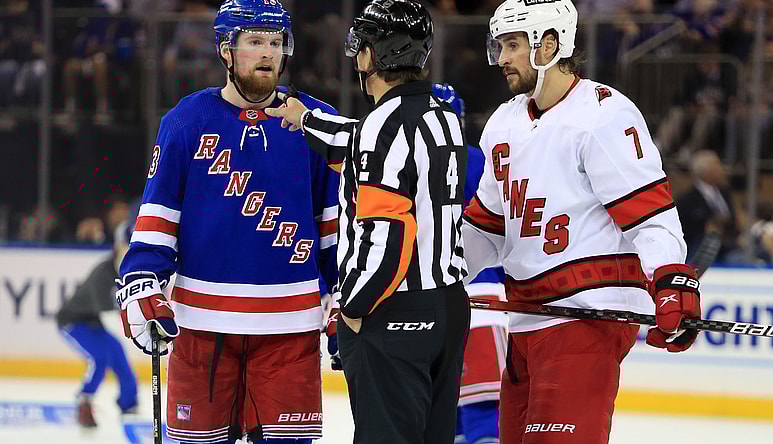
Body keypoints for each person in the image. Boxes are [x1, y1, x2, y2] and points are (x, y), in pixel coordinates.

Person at [461, 1, 702, 443]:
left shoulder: (603, 114)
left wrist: (672, 280)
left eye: (513, 45)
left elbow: (649, 216)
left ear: (549, 45)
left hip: (585, 320)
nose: (502, 58)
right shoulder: (502, 123)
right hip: (526, 320)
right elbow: (487, 229)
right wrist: (435, 275)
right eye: (500, 45)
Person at [113, 1, 339, 443]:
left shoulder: (315, 123)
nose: (268, 54)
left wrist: (342, 292)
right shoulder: (185, 121)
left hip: (289, 329)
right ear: (225, 50)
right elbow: (159, 217)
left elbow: (334, 224)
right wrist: (141, 280)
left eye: (276, 42)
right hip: (200, 326)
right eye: (255, 42)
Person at [266, 2, 471, 443]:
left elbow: (389, 233)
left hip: (394, 310)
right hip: (450, 308)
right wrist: (304, 118)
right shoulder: (444, 119)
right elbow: (358, 146)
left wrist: (353, 309)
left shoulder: (382, 127)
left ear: (370, 56)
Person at [433, 83, 506, 444]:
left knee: (448, 421)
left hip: (427, 302)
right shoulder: (480, 159)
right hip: (484, 299)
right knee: (484, 415)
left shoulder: (403, 161)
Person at [57, 221, 138, 428]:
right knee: (101, 357)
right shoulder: (102, 274)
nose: (128, 253)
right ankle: (84, 400)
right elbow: (109, 313)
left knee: (117, 353)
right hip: (74, 321)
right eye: (126, 247)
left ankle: (129, 404)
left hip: (94, 322)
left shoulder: (128, 271)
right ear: (117, 247)